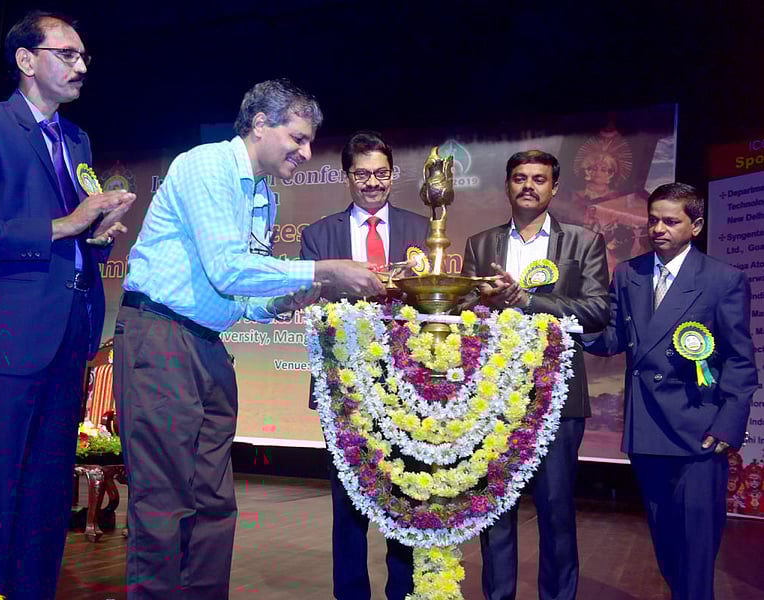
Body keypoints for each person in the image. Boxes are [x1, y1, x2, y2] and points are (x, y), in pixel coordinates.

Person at [114, 79, 385, 599]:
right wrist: (324, 269)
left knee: (214, 503)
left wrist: (284, 301)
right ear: (260, 124)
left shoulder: (262, 195)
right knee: (163, 501)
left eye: (310, 142)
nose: (306, 153)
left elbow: (240, 297)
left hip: (208, 345)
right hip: (161, 338)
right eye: (298, 138)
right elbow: (227, 269)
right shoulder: (207, 166)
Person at [0, 10, 136, 598]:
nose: (80, 66)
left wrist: (95, 234)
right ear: (26, 60)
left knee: (49, 494)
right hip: (7, 340)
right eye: (66, 54)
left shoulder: (77, 140)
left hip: (69, 333)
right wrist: (64, 224)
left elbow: (74, 233)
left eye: (84, 57)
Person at [584, 183, 756, 599]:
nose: (658, 229)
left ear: (696, 225)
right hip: (647, 429)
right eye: (653, 220)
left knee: (696, 546)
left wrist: (729, 424)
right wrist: (566, 328)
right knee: (666, 544)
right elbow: (613, 338)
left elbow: (739, 359)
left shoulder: (723, 280)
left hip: (700, 432)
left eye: (670, 221)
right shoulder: (629, 274)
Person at [461, 150, 610, 600]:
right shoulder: (480, 244)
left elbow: (597, 311)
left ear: (555, 187)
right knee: (495, 511)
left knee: (556, 510)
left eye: (539, 179)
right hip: (492, 397)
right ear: (507, 185)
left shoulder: (583, 242)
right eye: (520, 178)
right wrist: (483, 301)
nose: (529, 186)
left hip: (557, 396)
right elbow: (465, 312)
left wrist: (527, 300)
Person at [299, 130, 430, 600]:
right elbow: (309, 302)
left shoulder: (422, 230)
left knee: (405, 494)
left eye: (381, 173)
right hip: (344, 383)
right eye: (363, 174)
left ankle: (404, 591)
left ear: (392, 175)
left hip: (408, 384)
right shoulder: (318, 235)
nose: (373, 182)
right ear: (347, 177)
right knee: (348, 501)